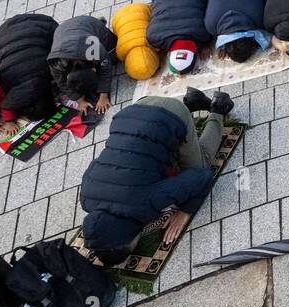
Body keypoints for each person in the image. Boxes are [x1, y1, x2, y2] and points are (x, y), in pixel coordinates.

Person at [80, 90, 234, 264]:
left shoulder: (144, 203)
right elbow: (96, 165)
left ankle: (219, 108)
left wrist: (185, 212)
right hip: (135, 109)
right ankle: (192, 102)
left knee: (201, 164)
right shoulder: (86, 198)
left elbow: (202, 177)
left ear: (129, 237)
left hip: (173, 116)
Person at [47, 15, 116, 124]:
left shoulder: (94, 47)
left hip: (90, 24)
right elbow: (61, 83)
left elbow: (105, 69)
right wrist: (79, 100)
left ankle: (101, 23)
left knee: (114, 57)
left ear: (93, 68)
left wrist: (104, 95)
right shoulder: (56, 63)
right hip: (64, 30)